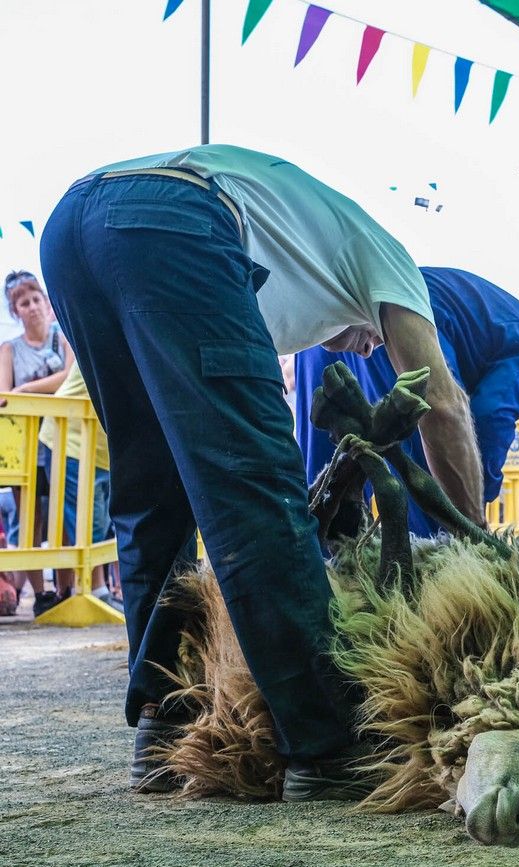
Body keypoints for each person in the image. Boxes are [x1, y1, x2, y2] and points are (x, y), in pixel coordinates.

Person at [40, 144, 484, 800]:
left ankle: (167, 726)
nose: (373, 347)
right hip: (173, 216)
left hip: (73, 229)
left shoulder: (293, 285)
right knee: (256, 489)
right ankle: (327, 741)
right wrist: (473, 539)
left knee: (152, 494)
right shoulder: (394, 262)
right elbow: (439, 399)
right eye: (377, 337)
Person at [296, 267, 519, 535]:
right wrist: (478, 498)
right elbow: (490, 417)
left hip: (333, 325)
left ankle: (318, 590)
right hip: (399, 331)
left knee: (324, 494)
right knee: (441, 514)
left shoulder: (507, 320)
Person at [1, 270, 74, 616]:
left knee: (63, 515)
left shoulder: (63, 337)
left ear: (46, 302)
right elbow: (3, 394)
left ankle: (66, 589)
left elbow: (68, 378)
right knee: (30, 519)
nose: (31, 307)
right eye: (23, 302)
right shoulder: (9, 349)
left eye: (35, 300)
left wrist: (26, 389)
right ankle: (41, 593)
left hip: (64, 441)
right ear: (15, 311)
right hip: (25, 446)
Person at [36, 359, 120, 610]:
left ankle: (87, 590)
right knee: (86, 518)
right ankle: (94, 591)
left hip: (101, 446)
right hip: (72, 440)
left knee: (100, 519)